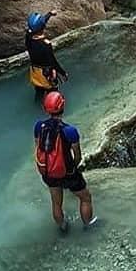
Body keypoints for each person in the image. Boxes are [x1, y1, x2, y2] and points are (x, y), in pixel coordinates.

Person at [34, 91, 96, 233]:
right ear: (63, 107)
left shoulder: (38, 127)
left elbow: (38, 148)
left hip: (48, 171)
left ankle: (63, 227)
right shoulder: (70, 131)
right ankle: (88, 226)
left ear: (46, 109)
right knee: (85, 197)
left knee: (56, 202)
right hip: (67, 172)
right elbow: (77, 156)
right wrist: (72, 169)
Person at [26, 11, 68, 102]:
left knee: (39, 91)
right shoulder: (45, 45)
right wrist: (63, 73)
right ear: (43, 27)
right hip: (47, 75)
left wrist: (49, 14)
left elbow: (37, 25)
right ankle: (54, 110)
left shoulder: (28, 38)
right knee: (52, 94)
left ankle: (36, 106)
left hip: (35, 72)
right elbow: (53, 62)